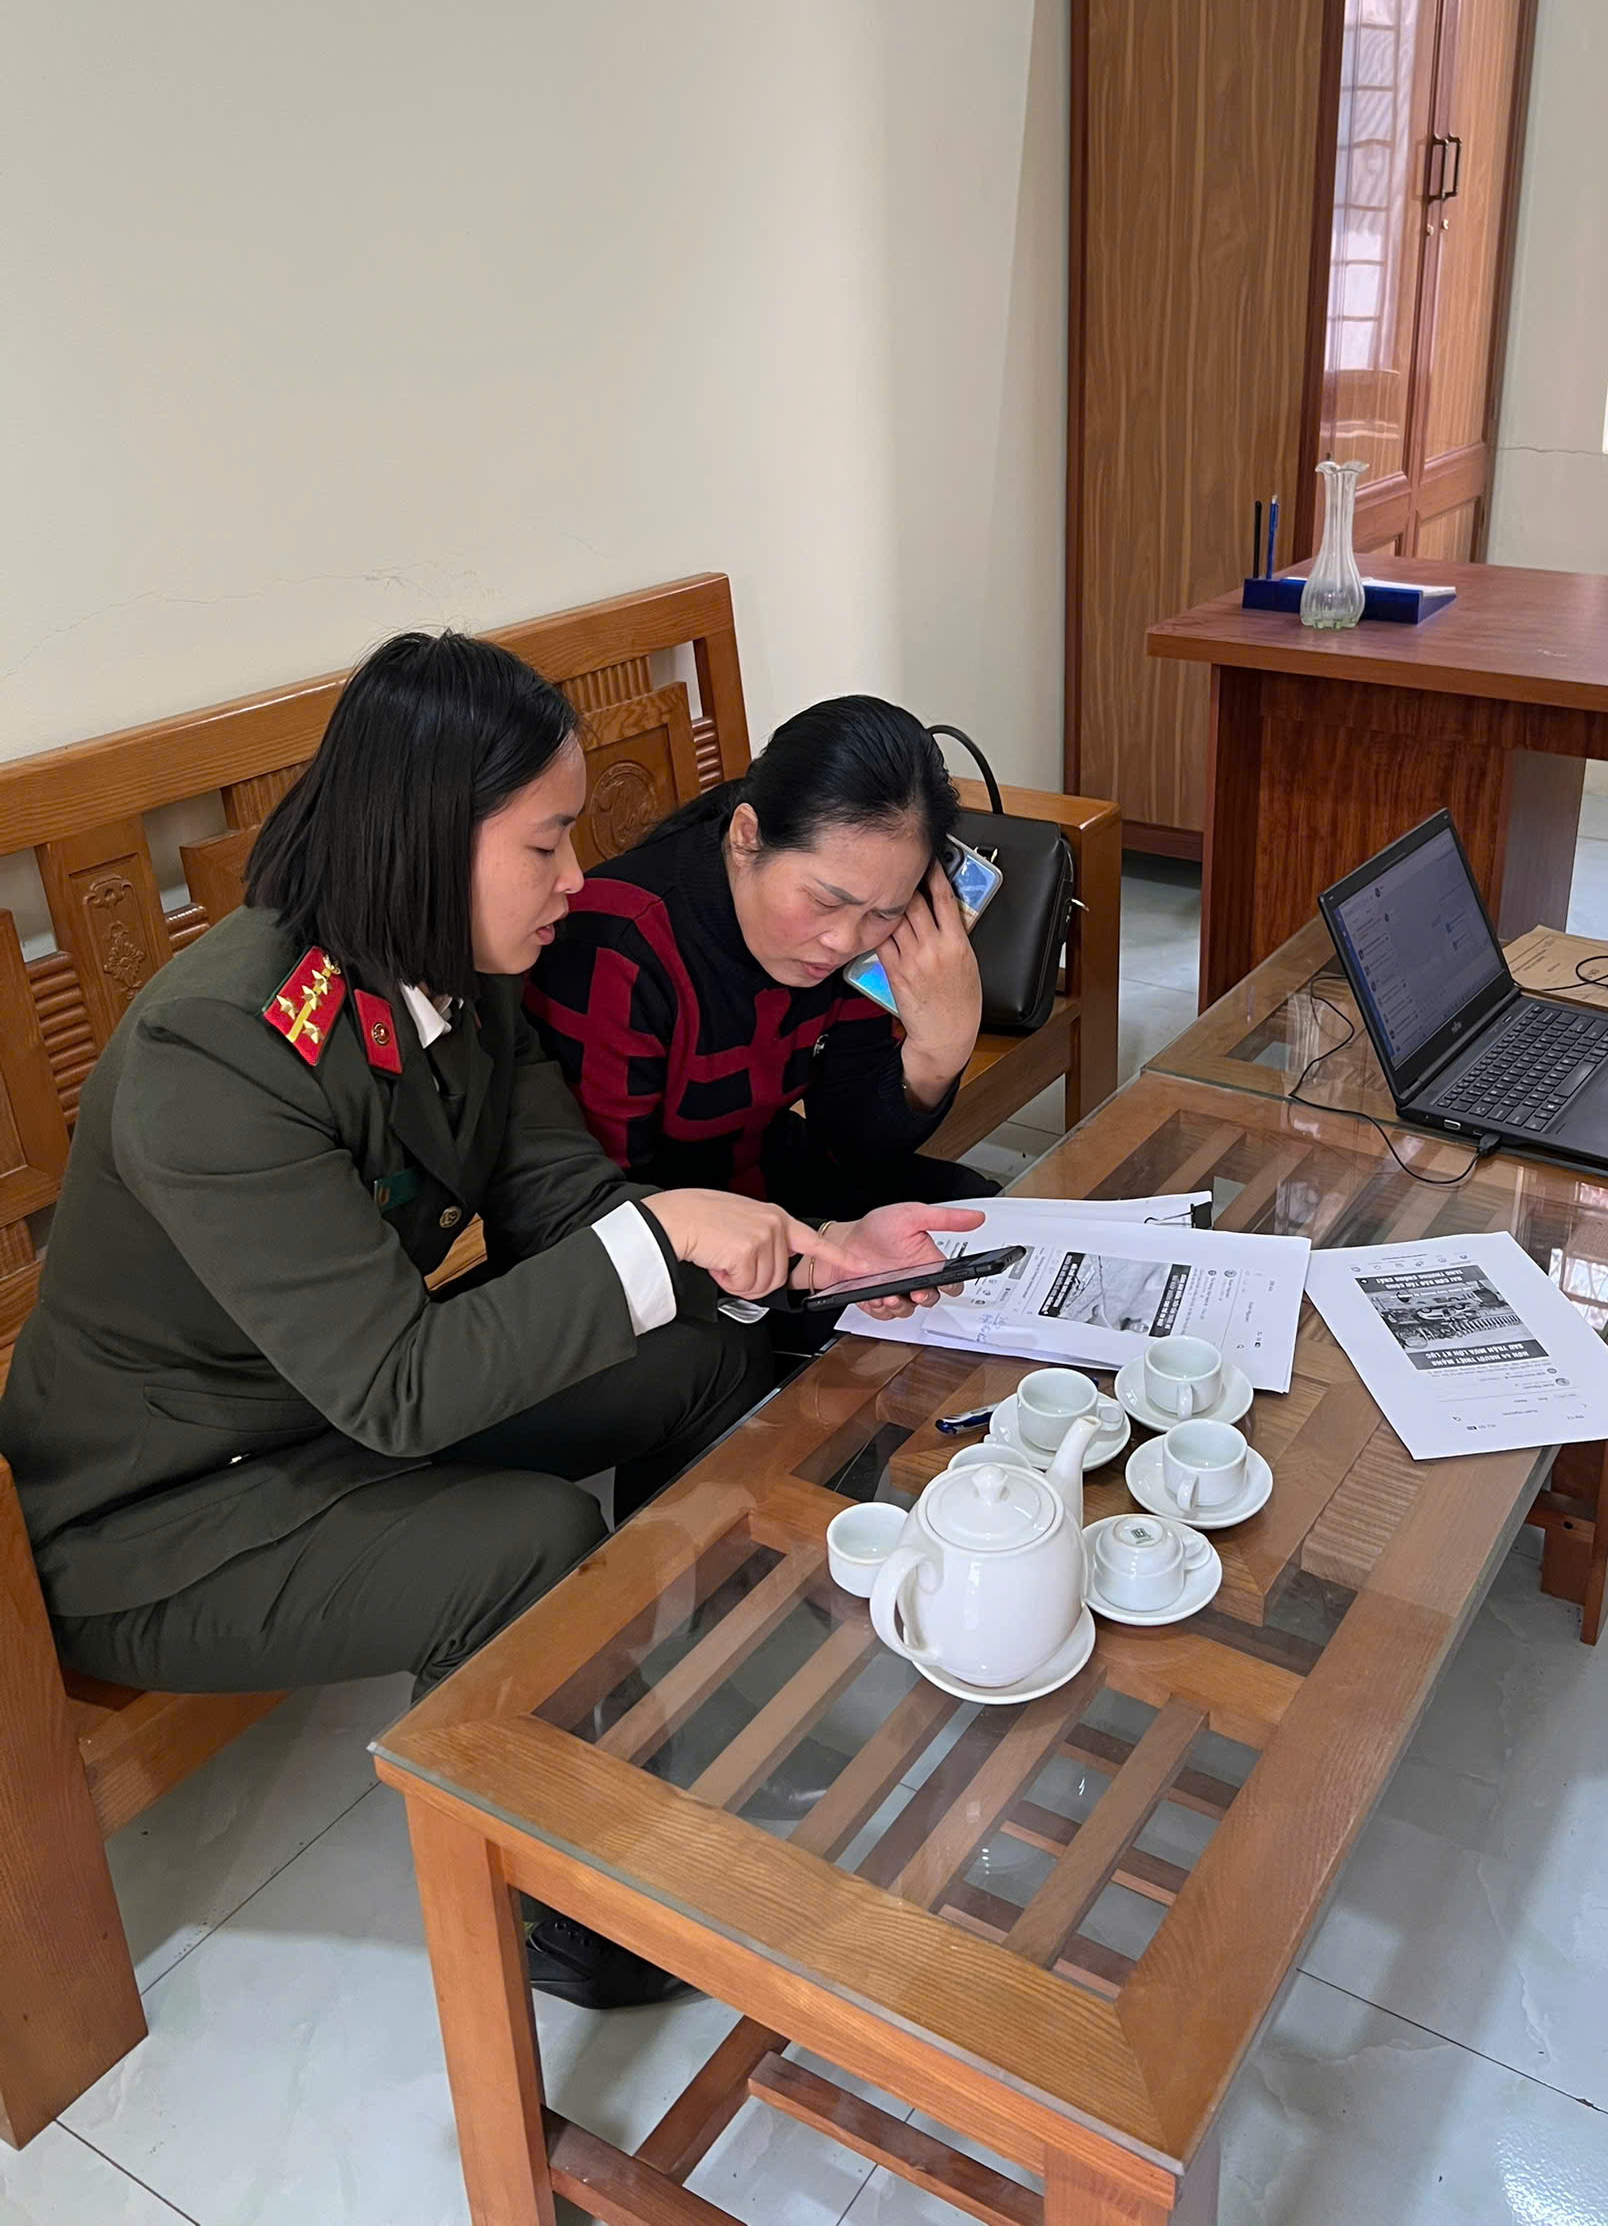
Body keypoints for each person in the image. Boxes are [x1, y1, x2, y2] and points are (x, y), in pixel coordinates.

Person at [0, 633, 976, 2009]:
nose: (578, 876)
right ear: (425, 836)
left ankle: (674, 1709)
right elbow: (402, 1389)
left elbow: (568, 1194)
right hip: (161, 1510)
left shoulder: (459, 975)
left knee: (702, 1350)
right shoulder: (215, 1054)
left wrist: (820, 1249)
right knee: (525, 1544)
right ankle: (559, 1907)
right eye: (547, 842)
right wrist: (665, 1232)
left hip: (325, 1400)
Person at [525, 695, 995, 1229]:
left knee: (977, 1209)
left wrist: (939, 1051)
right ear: (746, 836)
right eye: (824, 900)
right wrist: (808, 1256)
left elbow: (851, 1147)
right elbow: (600, 1213)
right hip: (660, 1228)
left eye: (884, 912)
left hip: (760, 1185)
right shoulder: (617, 947)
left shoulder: (858, 933)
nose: (843, 940)